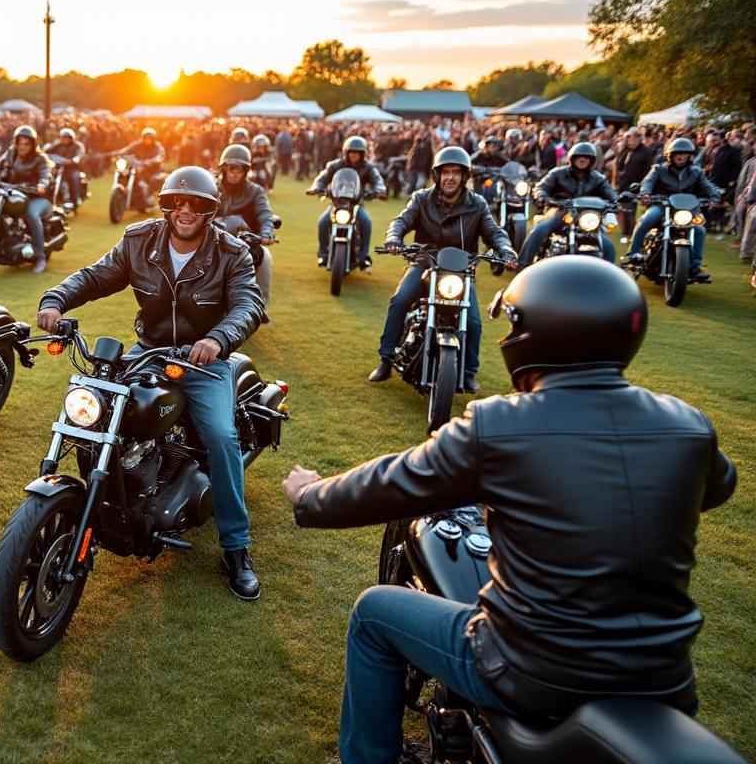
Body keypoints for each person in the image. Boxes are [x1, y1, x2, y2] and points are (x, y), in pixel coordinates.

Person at [283, 256, 736, 764]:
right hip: (664, 680)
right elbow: (720, 487)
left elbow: (389, 483)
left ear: (529, 333)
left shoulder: (498, 426)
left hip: (533, 671)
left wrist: (309, 495)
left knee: (373, 611)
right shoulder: (688, 426)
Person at [36, 166, 265, 599]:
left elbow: (248, 304)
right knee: (99, 411)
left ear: (209, 210)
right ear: (165, 205)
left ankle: (236, 547)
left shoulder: (230, 252)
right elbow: (95, 275)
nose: (184, 210)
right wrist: (56, 299)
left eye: (195, 203)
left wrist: (217, 339)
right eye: (176, 201)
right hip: (150, 351)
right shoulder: (139, 240)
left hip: (204, 361)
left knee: (220, 435)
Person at [371, 146, 515, 394]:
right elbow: (401, 221)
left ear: (464, 176)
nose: (450, 177)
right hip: (425, 263)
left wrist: (506, 249)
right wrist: (394, 237)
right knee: (400, 300)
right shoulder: (421, 198)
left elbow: (494, 232)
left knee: (473, 321)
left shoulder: (477, 204)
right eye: (445, 172)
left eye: (456, 173)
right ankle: (386, 359)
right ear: (437, 175)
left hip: (461, 271)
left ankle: (468, 372)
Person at [626, 137, 722, 283]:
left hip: (687, 210)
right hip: (662, 206)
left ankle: (695, 266)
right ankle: (633, 254)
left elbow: (708, 186)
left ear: (690, 156)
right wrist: (645, 193)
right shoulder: (658, 169)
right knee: (646, 220)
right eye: (678, 153)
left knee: (699, 230)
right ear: (670, 155)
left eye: (685, 154)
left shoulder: (696, 172)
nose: (681, 156)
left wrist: (715, 196)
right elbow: (648, 182)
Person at [519, 141, 619, 266]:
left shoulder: (598, 178)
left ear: (592, 160)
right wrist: (542, 196)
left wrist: (617, 202)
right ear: (572, 158)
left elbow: (611, 194)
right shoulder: (557, 173)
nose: (582, 160)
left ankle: (607, 278)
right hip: (560, 210)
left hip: (586, 217)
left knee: (608, 246)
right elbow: (541, 187)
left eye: (586, 157)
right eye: (579, 157)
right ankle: (523, 263)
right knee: (541, 229)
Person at [310, 135, 385, 270]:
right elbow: (323, 177)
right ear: (346, 152)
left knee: (366, 221)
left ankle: (363, 256)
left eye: (357, 152)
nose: (354, 155)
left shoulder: (368, 167)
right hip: (337, 203)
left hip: (356, 204)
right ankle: (323, 253)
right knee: (323, 222)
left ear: (363, 154)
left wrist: (379, 190)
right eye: (352, 152)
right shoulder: (335, 165)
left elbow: (377, 180)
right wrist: (316, 187)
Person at [215, 144, 276, 309]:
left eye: (239, 169)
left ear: (246, 170)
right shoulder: (213, 188)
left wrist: (266, 232)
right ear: (224, 169)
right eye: (231, 168)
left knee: (265, 258)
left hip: (247, 242)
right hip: (214, 240)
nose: (234, 173)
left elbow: (265, 214)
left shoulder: (255, 191)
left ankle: (260, 306)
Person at [0, 124, 54, 273]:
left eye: (26, 143)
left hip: (37, 197)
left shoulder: (41, 159)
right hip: (14, 193)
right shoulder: (10, 153)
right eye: (19, 143)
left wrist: (42, 184)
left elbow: (46, 174)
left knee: (31, 214)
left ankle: (40, 258)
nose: (22, 146)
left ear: (32, 144)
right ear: (16, 142)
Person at [613, 128, 652, 242]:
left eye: (632, 139)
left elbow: (646, 170)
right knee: (620, 209)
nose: (629, 141)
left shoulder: (646, 151)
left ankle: (630, 234)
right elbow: (618, 164)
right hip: (622, 184)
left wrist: (642, 185)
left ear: (638, 139)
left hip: (635, 185)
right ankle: (625, 232)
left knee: (630, 210)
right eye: (628, 139)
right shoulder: (625, 149)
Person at [116, 126, 166, 208]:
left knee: (153, 180)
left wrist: (151, 162)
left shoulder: (158, 147)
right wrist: (120, 153)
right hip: (137, 167)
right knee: (125, 173)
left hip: (152, 170)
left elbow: (160, 156)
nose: (147, 140)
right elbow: (126, 150)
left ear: (153, 139)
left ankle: (148, 198)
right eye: (146, 138)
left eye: (150, 138)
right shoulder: (137, 144)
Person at [45, 127, 85, 209]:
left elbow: (80, 154)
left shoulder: (77, 146)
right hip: (59, 168)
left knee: (75, 177)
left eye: (68, 138)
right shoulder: (57, 144)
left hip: (72, 168)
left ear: (71, 138)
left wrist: (75, 159)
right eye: (64, 137)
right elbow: (47, 151)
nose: (66, 139)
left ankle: (75, 200)